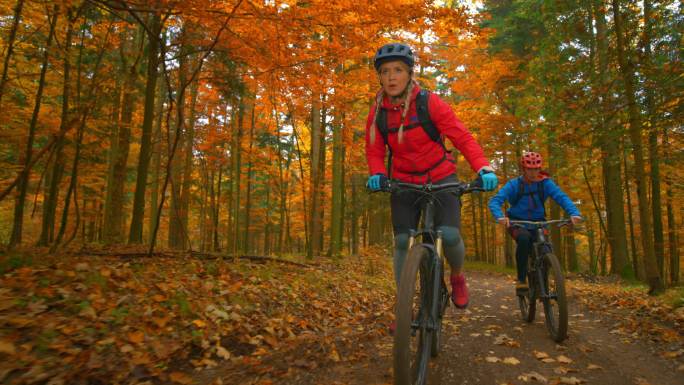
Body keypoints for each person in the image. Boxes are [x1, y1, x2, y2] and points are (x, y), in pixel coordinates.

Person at [365, 42, 498, 323]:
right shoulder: (378, 112)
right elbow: (375, 149)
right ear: (380, 76)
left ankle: (458, 276)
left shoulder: (429, 102)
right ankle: (403, 306)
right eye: (385, 71)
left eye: (398, 70)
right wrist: (377, 173)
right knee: (402, 240)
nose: (391, 77)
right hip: (403, 181)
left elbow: (461, 137)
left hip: (441, 177)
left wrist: (483, 167)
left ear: (409, 73)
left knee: (449, 235)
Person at [487, 152, 582, 291]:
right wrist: (500, 216)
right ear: (523, 169)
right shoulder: (514, 185)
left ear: (540, 168)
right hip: (517, 222)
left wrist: (574, 213)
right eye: (530, 169)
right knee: (524, 239)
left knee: (545, 248)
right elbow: (495, 201)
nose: (533, 172)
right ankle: (521, 279)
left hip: (538, 222)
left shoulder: (545, 184)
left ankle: (542, 283)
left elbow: (561, 197)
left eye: (536, 168)